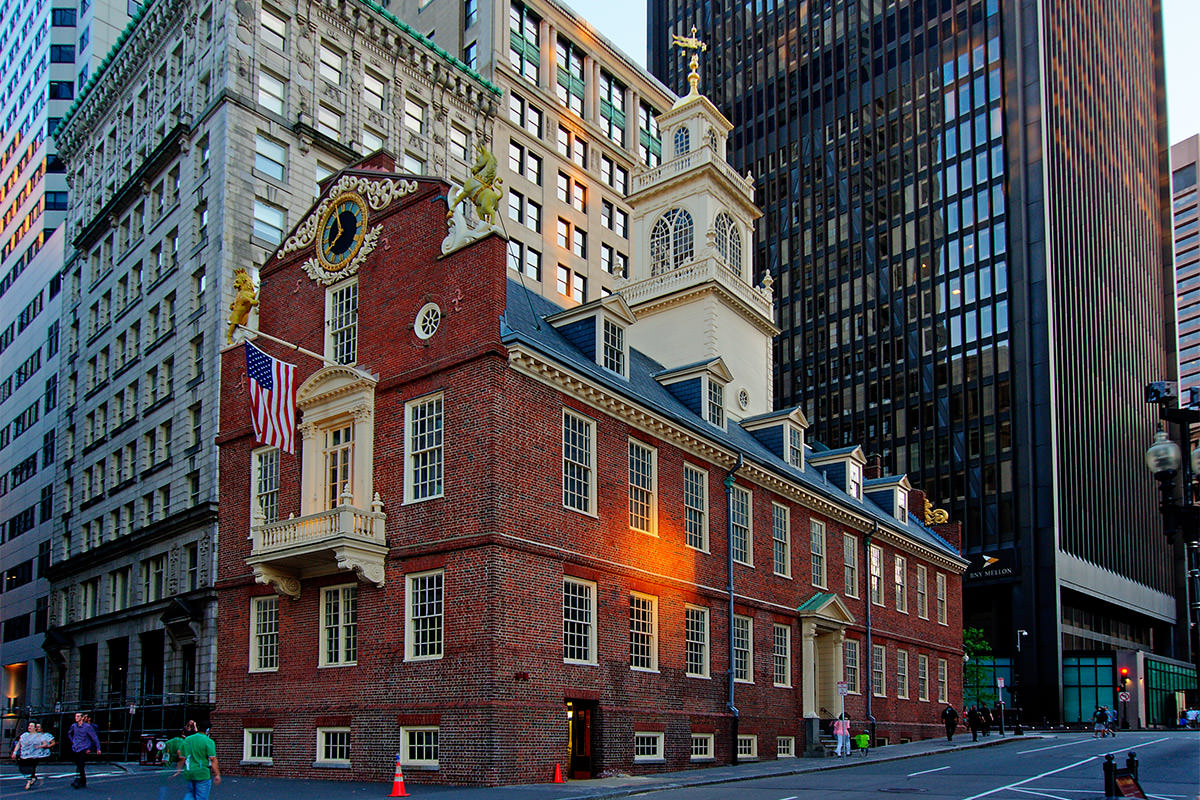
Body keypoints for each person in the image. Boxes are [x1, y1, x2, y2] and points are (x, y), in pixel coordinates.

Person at [175, 720, 220, 800]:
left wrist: (178, 770)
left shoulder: (188, 739)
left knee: (190, 794)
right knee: (201, 797)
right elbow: (212, 759)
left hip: (189, 772)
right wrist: (217, 774)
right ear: (208, 730)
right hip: (202, 772)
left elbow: (180, 753)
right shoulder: (208, 741)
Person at [68, 712, 101, 789]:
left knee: (81, 764)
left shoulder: (87, 727)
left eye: (78, 716)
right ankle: (83, 780)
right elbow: (69, 733)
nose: (76, 717)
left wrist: (98, 748)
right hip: (76, 747)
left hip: (84, 747)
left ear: (82, 718)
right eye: (76, 716)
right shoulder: (74, 726)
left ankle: (78, 780)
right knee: (78, 764)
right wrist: (73, 741)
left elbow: (94, 737)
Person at [12, 721, 45, 791]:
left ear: (35, 728)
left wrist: (40, 747)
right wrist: (14, 752)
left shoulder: (39, 736)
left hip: (34, 755)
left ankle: (29, 781)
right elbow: (19, 744)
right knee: (22, 768)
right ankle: (32, 778)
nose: (29, 727)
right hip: (24, 755)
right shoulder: (24, 735)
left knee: (31, 768)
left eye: (32, 726)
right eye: (29, 726)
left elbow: (45, 744)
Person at [158, 727, 187, 800]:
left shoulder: (167, 743)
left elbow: (158, 755)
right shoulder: (182, 742)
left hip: (166, 768)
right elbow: (180, 754)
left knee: (164, 787)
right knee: (179, 790)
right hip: (178, 768)